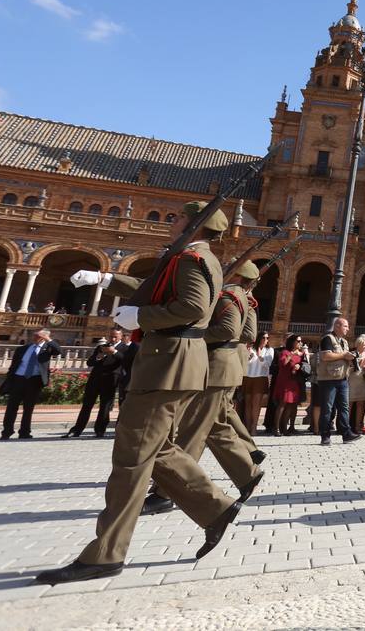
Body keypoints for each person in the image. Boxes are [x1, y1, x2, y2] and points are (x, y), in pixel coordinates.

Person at [36, 202, 240, 585]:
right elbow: (155, 291)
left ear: (194, 225)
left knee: (131, 459)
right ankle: (215, 508)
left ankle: (105, 555)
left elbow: (192, 306)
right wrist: (104, 279)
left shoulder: (190, 259)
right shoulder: (193, 257)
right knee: (157, 447)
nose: (170, 219)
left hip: (167, 363)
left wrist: (140, 318)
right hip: (173, 362)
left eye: (176, 216)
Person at [143, 260, 267, 515]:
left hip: (216, 367)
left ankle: (167, 493)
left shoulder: (228, 295)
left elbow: (228, 330)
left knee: (193, 431)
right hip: (228, 366)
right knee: (215, 426)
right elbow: (248, 333)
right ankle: (246, 473)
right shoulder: (246, 299)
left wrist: (192, 334)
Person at [0, 327, 62, 439]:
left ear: (44, 337)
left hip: (34, 380)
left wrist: (48, 339)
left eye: (38, 336)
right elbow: (14, 365)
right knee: (11, 407)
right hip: (18, 379)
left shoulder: (47, 349)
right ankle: (7, 432)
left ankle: (24, 432)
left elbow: (58, 351)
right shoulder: (23, 348)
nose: (35, 337)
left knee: (28, 408)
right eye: (34, 335)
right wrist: (10, 378)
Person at [68, 328, 127, 438]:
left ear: (121, 337)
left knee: (105, 407)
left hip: (110, 380)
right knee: (86, 405)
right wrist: (98, 356)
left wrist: (114, 352)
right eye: (111, 336)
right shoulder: (101, 347)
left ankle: (100, 430)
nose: (113, 339)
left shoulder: (124, 348)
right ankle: (77, 429)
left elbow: (125, 360)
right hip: (95, 379)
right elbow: (90, 362)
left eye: (115, 336)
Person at [317, 317, 361, 446]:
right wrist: (344, 355)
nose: (348, 329)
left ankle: (346, 434)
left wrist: (352, 360)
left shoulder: (344, 342)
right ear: (337, 326)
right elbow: (325, 356)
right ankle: (325, 435)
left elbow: (344, 358)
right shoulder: (327, 339)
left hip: (342, 379)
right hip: (328, 380)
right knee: (327, 409)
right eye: (345, 326)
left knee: (344, 408)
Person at [272, 335, 306, 435]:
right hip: (284, 381)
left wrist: (299, 366)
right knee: (282, 404)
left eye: (301, 341)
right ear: (292, 342)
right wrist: (292, 354)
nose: (300, 343)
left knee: (291, 405)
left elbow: (304, 366)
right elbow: (283, 364)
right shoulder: (285, 352)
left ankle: (285, 428)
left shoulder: (301, 354)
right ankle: (276, 428)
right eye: (298, 341)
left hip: (294, 381)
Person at [243, 332, 274, 434]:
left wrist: (260, 356)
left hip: (260, 378)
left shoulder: (269, 350)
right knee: (247, 403)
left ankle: (254, 427)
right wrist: (250, 356)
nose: (266, 340)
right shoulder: (250, 349)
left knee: (256, 404)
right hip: (247, 377)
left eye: (267, 338)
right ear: (259, 338)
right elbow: (245, 363)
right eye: (264, 338)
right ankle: (247, 427)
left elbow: (267, 365)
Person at [347, 334, 365, 434]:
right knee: (349, 405)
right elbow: (347, 370)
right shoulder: (352, 354)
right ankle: (346, 426)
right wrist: (357, 366)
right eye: (363, 345)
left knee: (361, 404)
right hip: (352, 382)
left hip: (363, 382)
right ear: (358, 344)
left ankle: (358, 426)